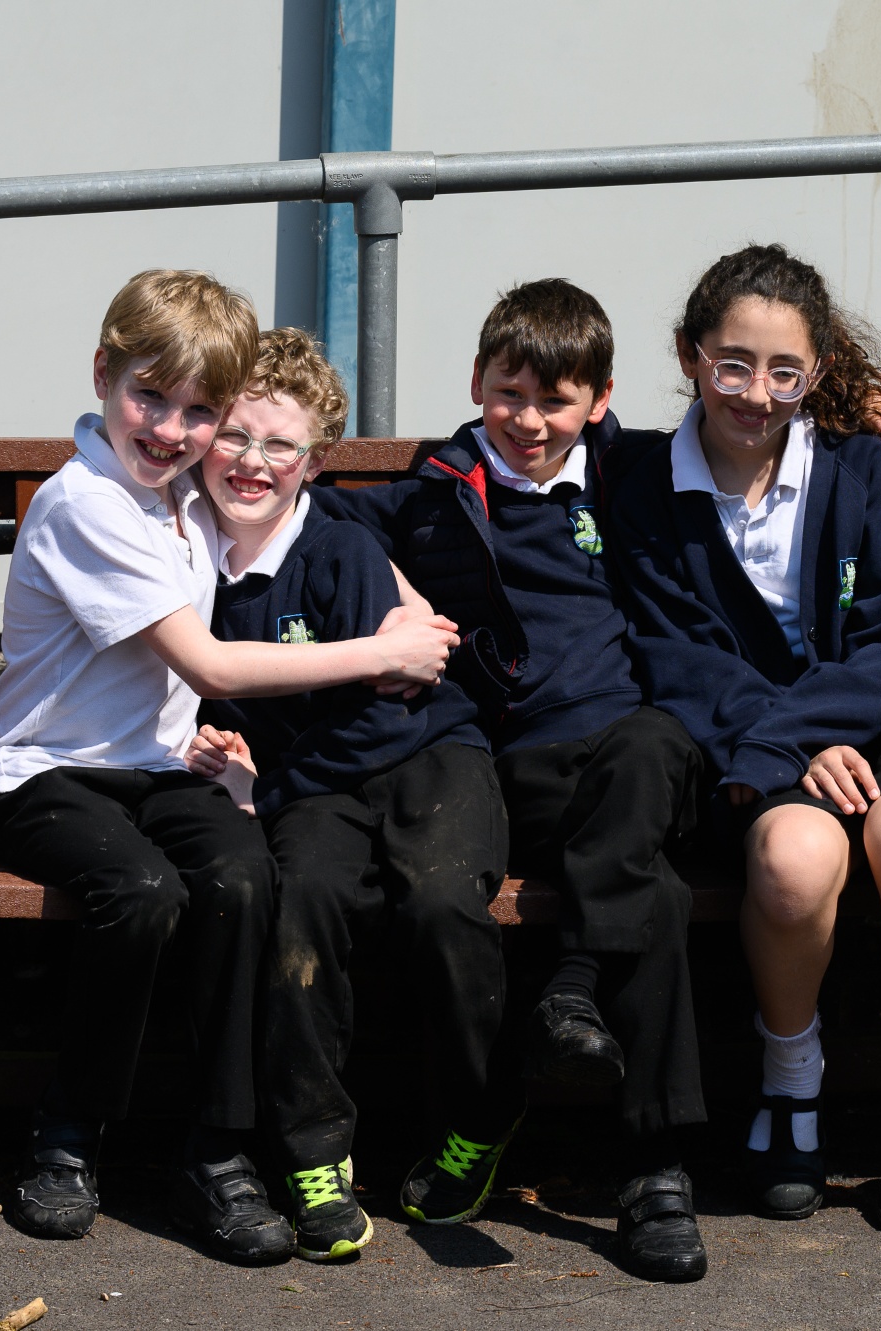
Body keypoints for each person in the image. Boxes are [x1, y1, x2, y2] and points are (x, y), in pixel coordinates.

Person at [0, 270, 459, 1265]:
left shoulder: (180, 487)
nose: (170, 428)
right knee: (143, 891)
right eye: (150, 397)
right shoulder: (88, 502)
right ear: (102, 373)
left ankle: (216, 1151)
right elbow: (215, 666)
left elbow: (312, 512)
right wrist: (378, 650)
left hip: (157, 770)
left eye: (198, 412)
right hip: (40, 776)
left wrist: (409, 609)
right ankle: (67, 1135)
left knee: (243, 876)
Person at [606, 243, 881, 1235]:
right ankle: (790, 1084)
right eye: (732, 365)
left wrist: (810, 731)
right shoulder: (645, 489)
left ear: (815, 373)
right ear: (688, 356)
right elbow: (674, 654)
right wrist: (792, 746)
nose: (755, 394)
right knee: (791, 860)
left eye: (784, 372)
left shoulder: (863, 466)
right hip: (755, 732)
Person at [181, 328, 510, 1264]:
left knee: (441, 900)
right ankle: (313, 1154)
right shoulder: (183, 557)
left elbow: (384, 709)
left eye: (280, 445)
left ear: (315, 462)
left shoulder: (339, 549)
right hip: (317, 788)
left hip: (425, 758)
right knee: (302, 907)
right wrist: (212, 743)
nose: (252, 462)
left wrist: (270, 781)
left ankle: (479, 1114)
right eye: (235, 434)